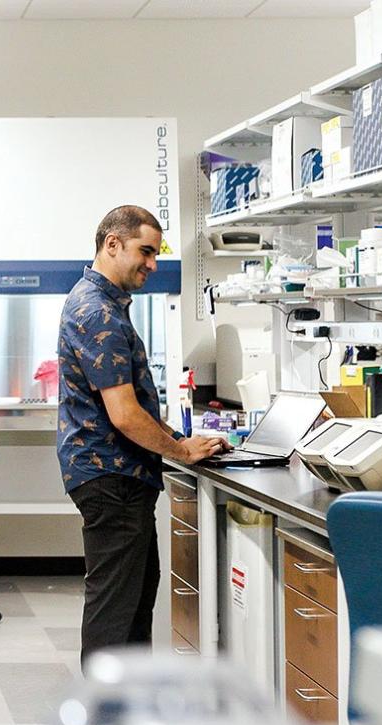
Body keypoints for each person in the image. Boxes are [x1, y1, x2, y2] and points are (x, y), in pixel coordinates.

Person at [56, 205, 230, 666]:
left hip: (115, 472)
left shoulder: (103, 303)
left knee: (135, 594)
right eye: (145, 252)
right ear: (112, 244)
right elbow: (125, 415)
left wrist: (179, 437)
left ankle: (126, 705)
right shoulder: (98, 312)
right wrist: (180, 450)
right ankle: (103, 715)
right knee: (116, 604)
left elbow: (131, 409)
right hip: (110, 474)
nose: (152, 265)